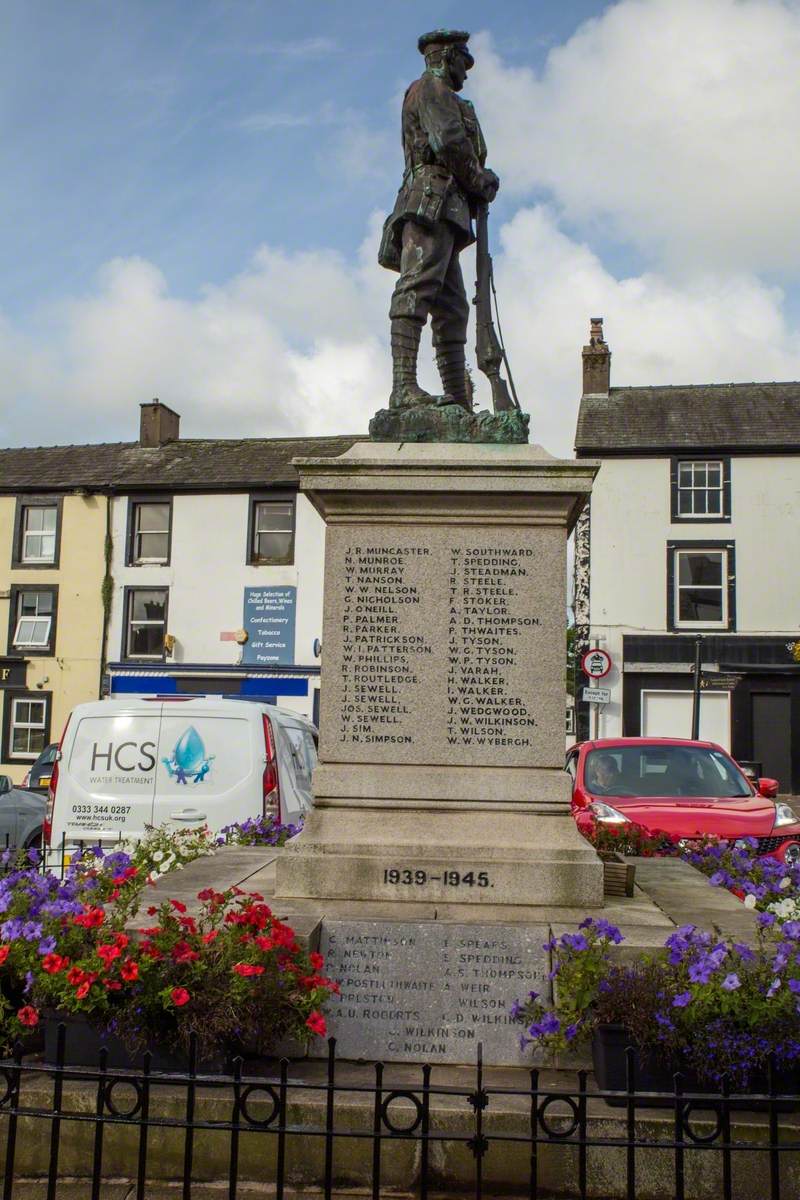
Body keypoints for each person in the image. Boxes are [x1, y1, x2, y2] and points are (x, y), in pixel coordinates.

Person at [378, 29, 500, 412]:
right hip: (431, 200)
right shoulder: (431, 89)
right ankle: (403, 387)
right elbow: (448, 142)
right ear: (448, 57)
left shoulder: (443, 94)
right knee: (417, 286)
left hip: (446, 207)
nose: (466, 73)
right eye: (464, 63)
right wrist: (479, 179)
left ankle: (457, 400)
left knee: (453, 307)